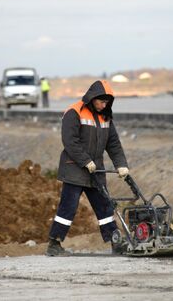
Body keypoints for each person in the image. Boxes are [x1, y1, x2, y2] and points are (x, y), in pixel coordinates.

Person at [46, 80, 130, 256]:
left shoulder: (105, 117)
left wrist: (121, 164)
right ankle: (54, 243)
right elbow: (70, 141)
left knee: (105, 207)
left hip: (96, 171)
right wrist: (85, 161)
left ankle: (115, 241)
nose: (103, 105)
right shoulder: (74, 112)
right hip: (74, 169)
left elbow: (113, 143)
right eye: (101, 101)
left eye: (107, 102)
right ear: (92, 98)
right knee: (68, 207)